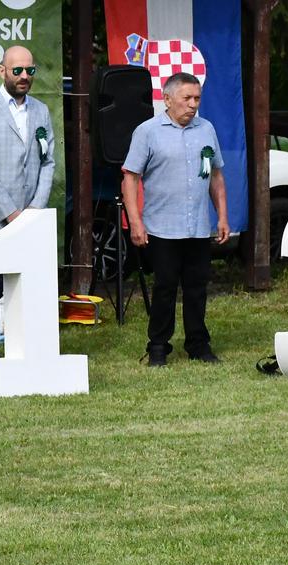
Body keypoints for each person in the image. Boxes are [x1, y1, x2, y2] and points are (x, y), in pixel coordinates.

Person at [121, 72, 228, 367]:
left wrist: (222, 216)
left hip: (198, 227)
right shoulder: (147, 131)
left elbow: (216, 176)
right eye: (187, 98)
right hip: (162, 228)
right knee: (165, 287)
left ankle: (198, 344)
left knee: (197, 287)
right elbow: (130, 178)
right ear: (167, 99)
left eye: (197, 99)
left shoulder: (206, 129)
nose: (193, 105)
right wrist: (135, 222)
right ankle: (158, 347)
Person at [0, 45, 55, 361]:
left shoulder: (41, 111)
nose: (24, 76)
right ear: (2, 71)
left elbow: (48, 162)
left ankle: (29, 353)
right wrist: (11, 214)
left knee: (30, 287)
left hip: (31, 216)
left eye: (30, 70)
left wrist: (34, 210)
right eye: (17, 70)